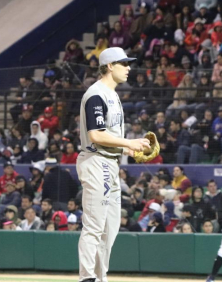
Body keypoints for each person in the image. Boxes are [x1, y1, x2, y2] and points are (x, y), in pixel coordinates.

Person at [76, 47, 151, 282]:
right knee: (94, 226)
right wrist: (129, 141)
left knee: (111, 228)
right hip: (96, 161)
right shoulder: (96, 94)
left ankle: (100, 277)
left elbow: (108, 135)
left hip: (110, 163)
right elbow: (97, 135)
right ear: (109, 66)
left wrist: (125, 147)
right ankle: (87, 278)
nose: (128, 68)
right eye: (124, 63)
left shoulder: (113, 94)